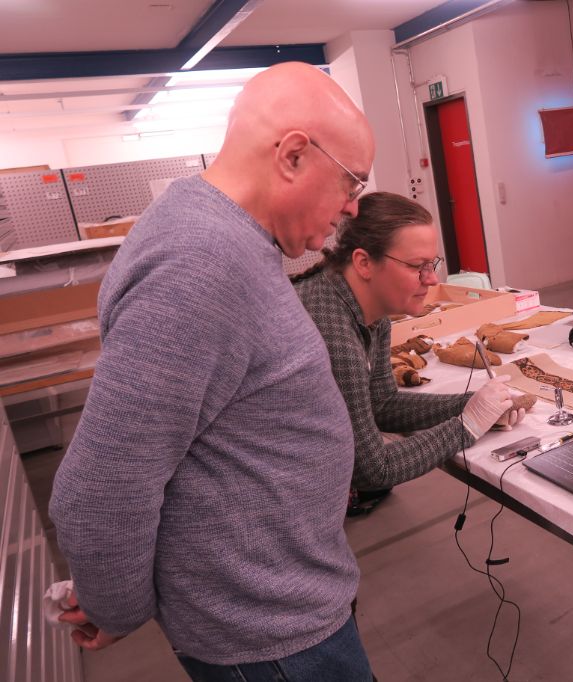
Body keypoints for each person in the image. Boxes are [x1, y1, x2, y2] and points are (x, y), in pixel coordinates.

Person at [49, 62, 376, 680]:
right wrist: (119, 605)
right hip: (270, 637)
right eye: (351, 181)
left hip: (283, 608)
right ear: (294, 156)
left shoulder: (225, 240)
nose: (351, 207)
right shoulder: (201, 264)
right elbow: (101, 487)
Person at [292, 191, 522, 499]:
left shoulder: (372, 314)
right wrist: (467, 425)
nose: (431, 279)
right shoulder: (333, 331)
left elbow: (382, 404)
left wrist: (474, 404)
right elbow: (372, 470)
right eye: (418, 266)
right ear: (363, 263)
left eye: (433, 263)